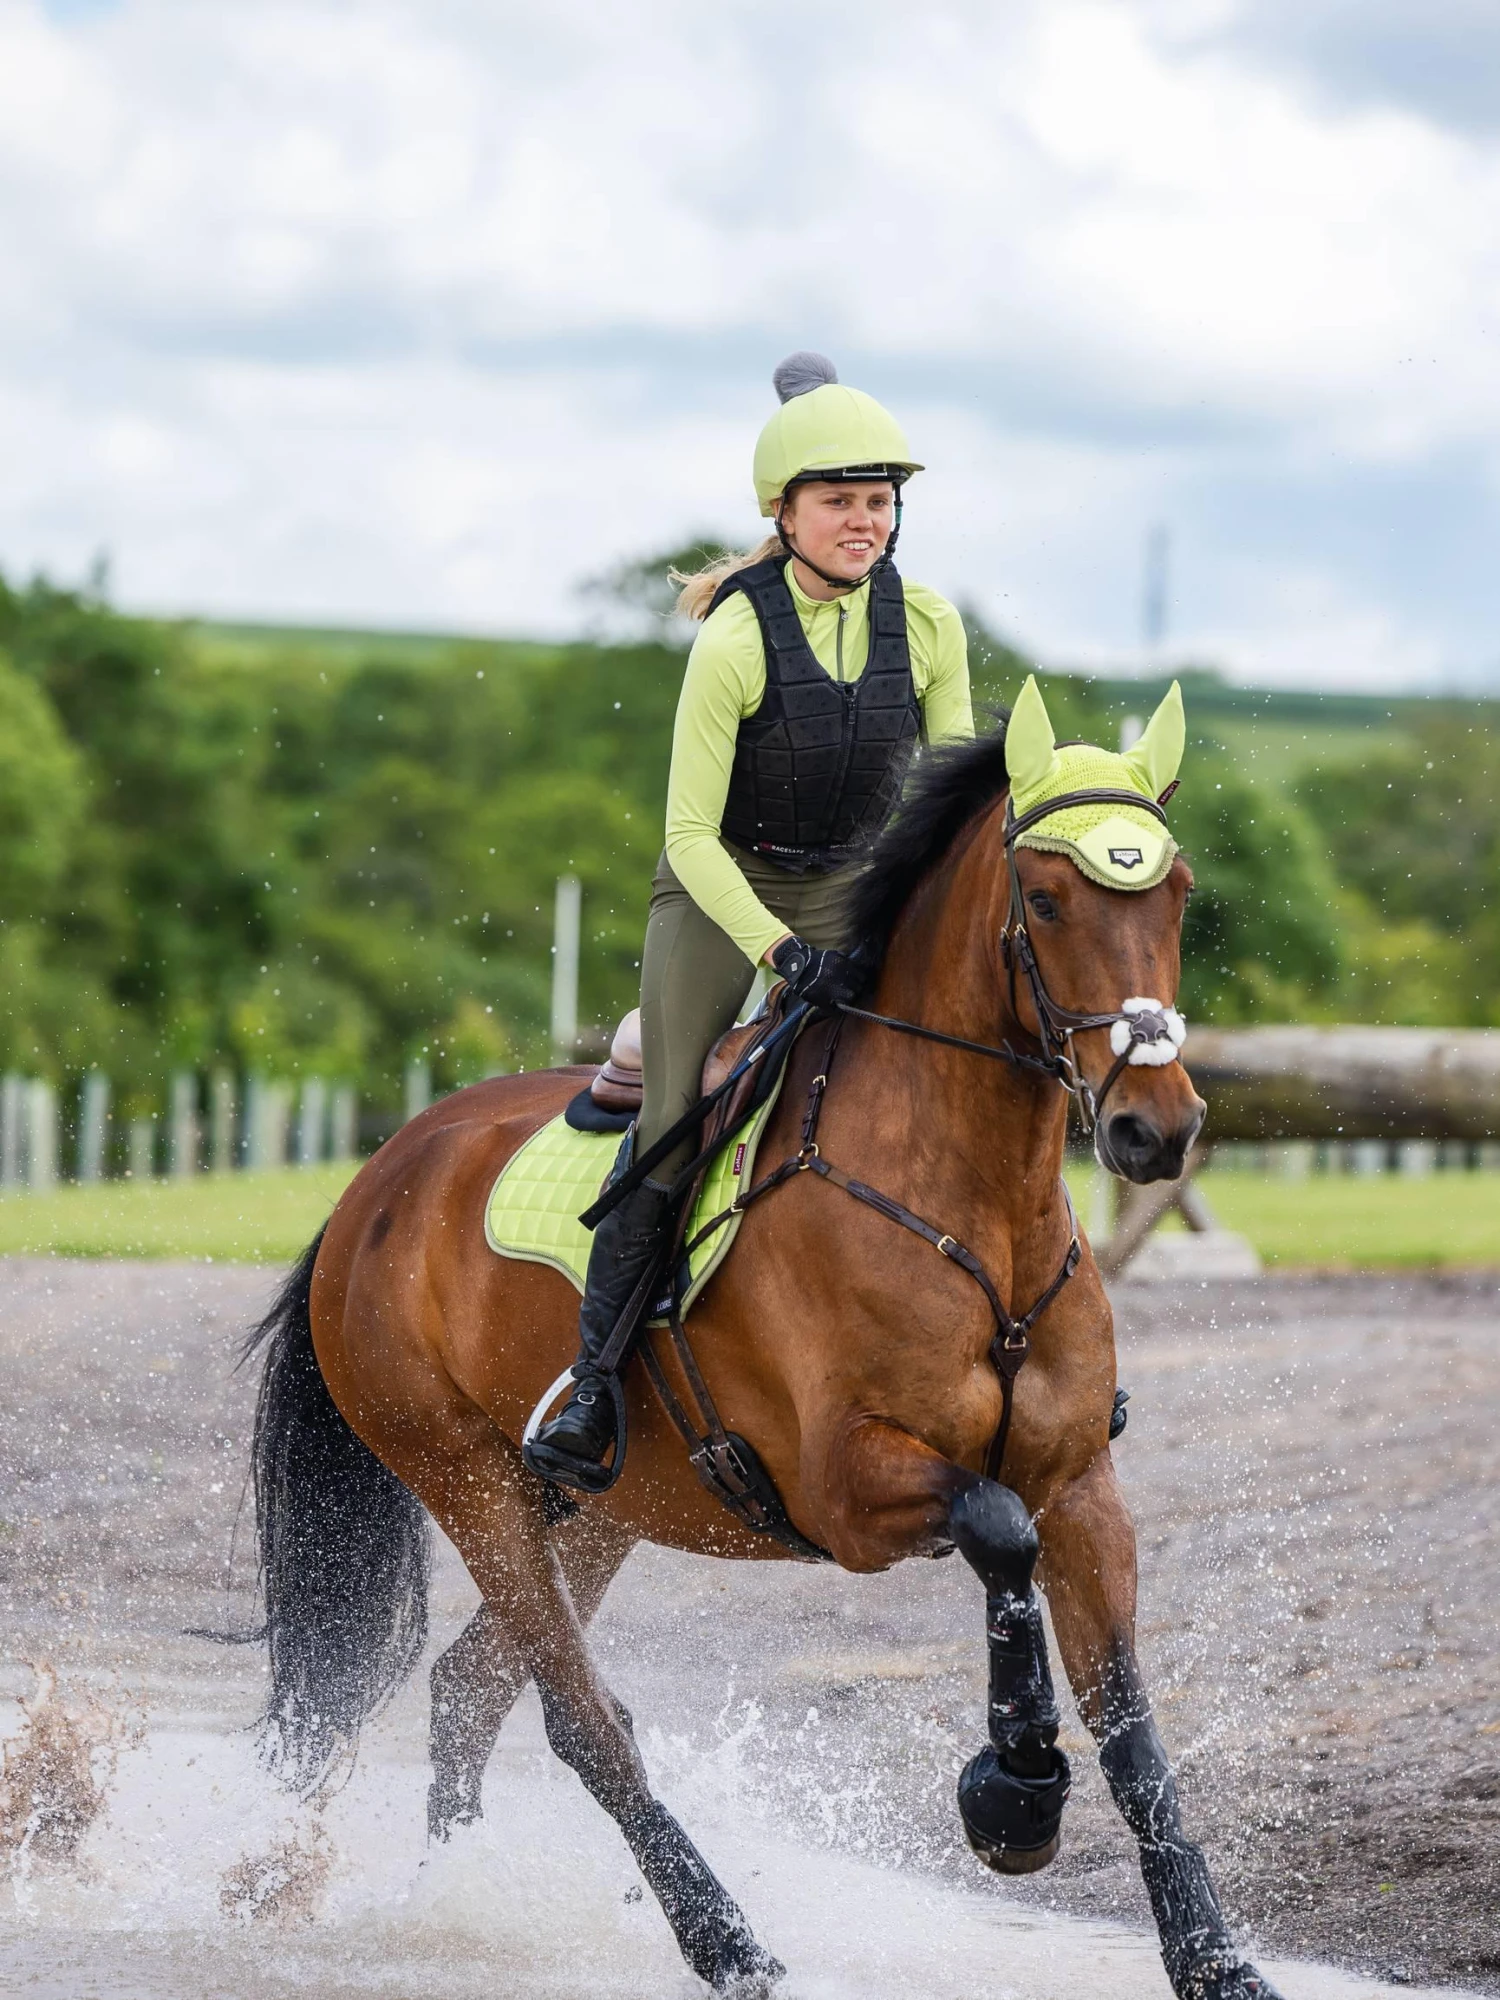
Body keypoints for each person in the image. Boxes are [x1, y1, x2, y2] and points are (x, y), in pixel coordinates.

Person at [527, 352, 974, 1486]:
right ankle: (591, 1386)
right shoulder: (733, 635)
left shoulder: (928, 623)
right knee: (678, 1116)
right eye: (840, 503)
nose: (864, 522)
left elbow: (952, 799)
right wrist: (781, 948)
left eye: (879, 503)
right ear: (784, 512)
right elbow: (685, 834)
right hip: (727, 886)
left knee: (970, 1064)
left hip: (856, 877)